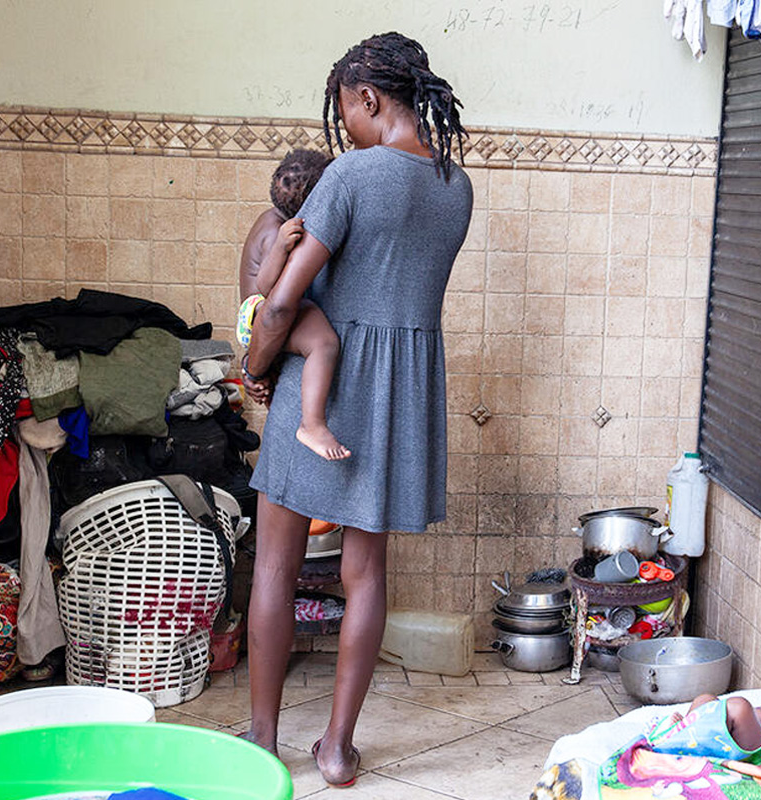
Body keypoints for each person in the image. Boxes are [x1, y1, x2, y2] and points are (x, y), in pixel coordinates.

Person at [239, 32, 472, 788]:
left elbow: (279, 304)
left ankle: (263, 740)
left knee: (273, 568)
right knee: (365, 575)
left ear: (369, 99)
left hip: (327, 388)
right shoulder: (455, 185)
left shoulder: (350, 176)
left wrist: (254, 366)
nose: (346, 128)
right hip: (402, 398)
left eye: (347, 112)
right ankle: (338, 749)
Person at [236, 149, 350, 461]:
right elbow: (271, 291)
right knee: (323, 343)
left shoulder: (271, 218)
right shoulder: (280, 232)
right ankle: (312, 424)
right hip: (263, 311)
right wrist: (285, 245)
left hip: (261, 315)